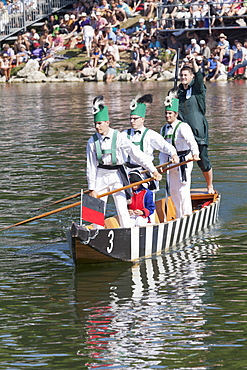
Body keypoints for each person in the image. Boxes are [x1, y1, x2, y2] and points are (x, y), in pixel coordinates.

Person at [87, 95, 162, 229]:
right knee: (94, 212)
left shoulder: (118, 137)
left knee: (122, 209)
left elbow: (136, 153)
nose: (97, 127)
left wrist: (153, 170)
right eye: (95, 124)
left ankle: (127, 232)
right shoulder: (92, 141)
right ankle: (94, 234)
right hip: (100, 175)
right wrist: (92, 188)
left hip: (117, 175)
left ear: (107, 122)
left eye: (99, 123)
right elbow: (91, 166)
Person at [177, 53, 214, 194]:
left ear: (191, 76)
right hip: (184, 133)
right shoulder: (179, 92)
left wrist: (193, 63)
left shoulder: (198, 90)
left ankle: (209, 185)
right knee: (182, 161)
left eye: (186, 75)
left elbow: (199, 77)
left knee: (203, 160)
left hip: (198, 131)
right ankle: (182, 187)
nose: (183, 78)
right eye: (182, 75)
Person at [160, 96, 200, 218]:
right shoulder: (163, 129)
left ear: (176, 114)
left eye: (170, 113)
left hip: (185, 160)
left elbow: (192, 142)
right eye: (166, 113)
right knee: (173, 190)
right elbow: (162, 150)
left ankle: (187, 214)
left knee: (183, 189)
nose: (167, 116)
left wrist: (195, 153)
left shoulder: (183, 127)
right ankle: (178, 215)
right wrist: (161, 165)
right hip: (171, 161)